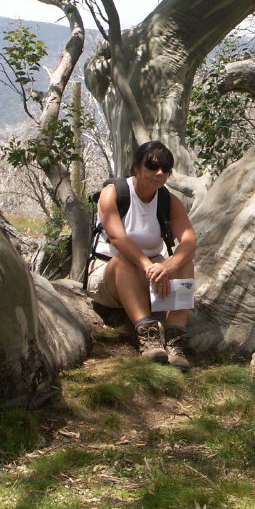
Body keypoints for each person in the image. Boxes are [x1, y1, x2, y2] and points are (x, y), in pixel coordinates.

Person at [90, 141, 197, 368]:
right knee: (124, 261)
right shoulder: (114, 193)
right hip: (110, 273)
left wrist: (166, 266)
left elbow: (189, 241)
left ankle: (174, 338)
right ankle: (148, 335)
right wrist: (148, 265)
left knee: (185, 263)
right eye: (152, 166)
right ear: (136, 168)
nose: (159, 173)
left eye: (165, 169)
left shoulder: (168, 201)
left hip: (151, 272)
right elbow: (118, 238)